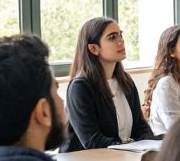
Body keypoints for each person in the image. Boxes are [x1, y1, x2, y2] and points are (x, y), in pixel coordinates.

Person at [64, 16, 156, 151]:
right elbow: (93, 141)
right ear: (94, 48)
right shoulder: (80, 87)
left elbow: (140, 127)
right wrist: (129, 146)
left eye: (121, 35)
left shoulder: (126, 82)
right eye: (112, 37)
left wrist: (153, 144)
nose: (121, 42)